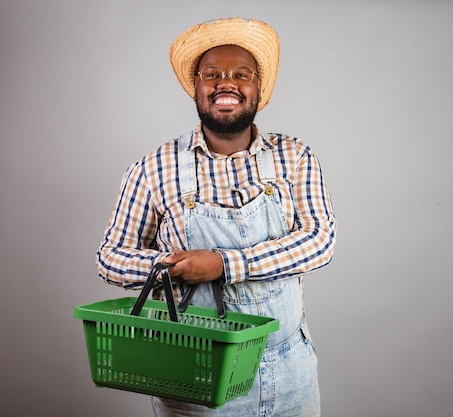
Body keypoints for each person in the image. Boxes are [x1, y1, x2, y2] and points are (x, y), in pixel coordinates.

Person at [96, 17, 337, 417]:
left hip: (289, 368)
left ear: (259, 87)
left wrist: (224, 264)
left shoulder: (295, 156)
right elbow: (110, 257)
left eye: (242, 74)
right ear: (197, 87)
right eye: (212, 75)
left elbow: (320, 239)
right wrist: (172, 266)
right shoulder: (153, 168)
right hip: (194, 373)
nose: (227, 83)